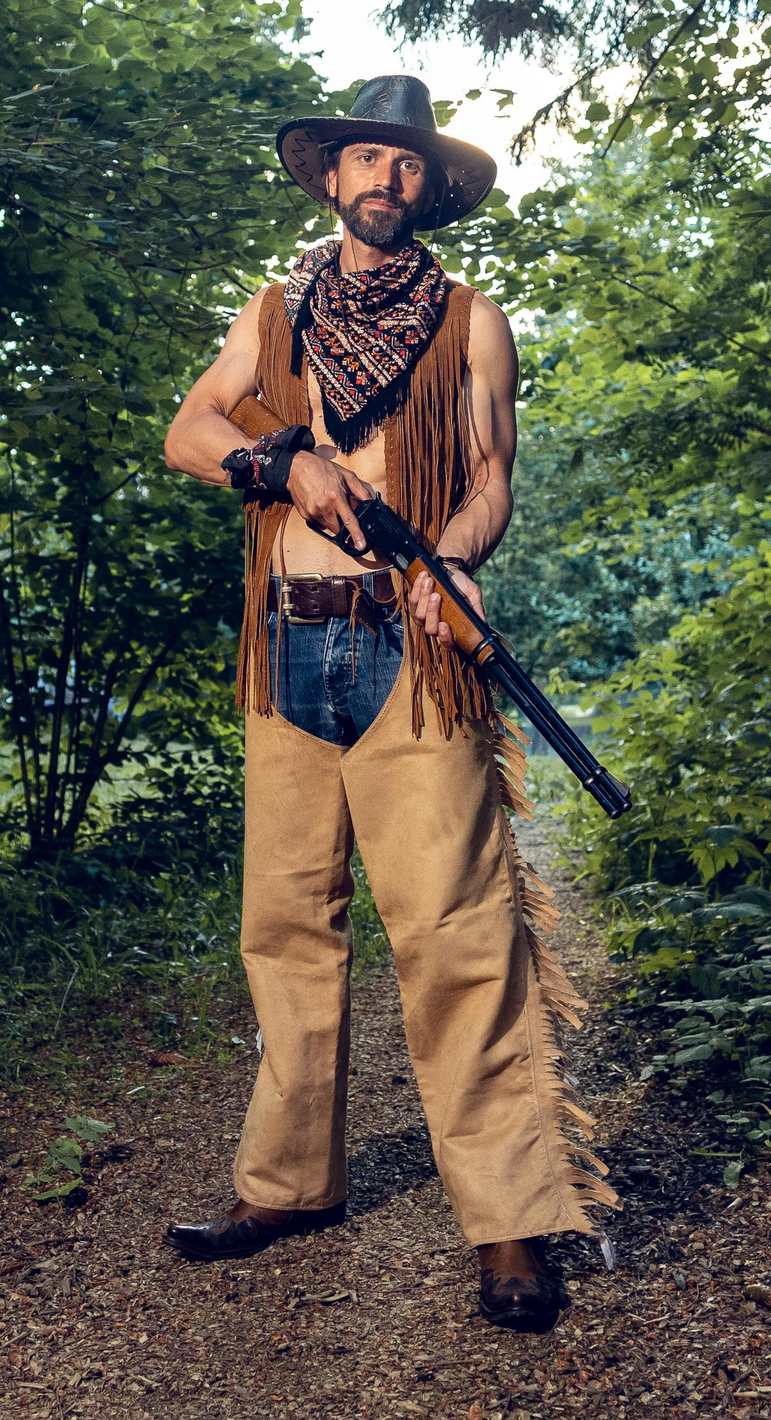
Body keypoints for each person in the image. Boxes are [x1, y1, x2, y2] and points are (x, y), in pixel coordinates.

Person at [159, 75, 616, 1332]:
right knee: (286, 931)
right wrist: (282, 459)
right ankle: (287, 1186)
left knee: (460, 939)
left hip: (415, 661)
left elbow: (489, 481)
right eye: (368, 159)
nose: (385, 181)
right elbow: (189, 435)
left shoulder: (471, 321)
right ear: (331, 175)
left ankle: (512, 1223)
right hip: (287, 655)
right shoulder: (274, 314)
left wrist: (453, 560)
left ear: (429, 189)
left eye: (408, 167)